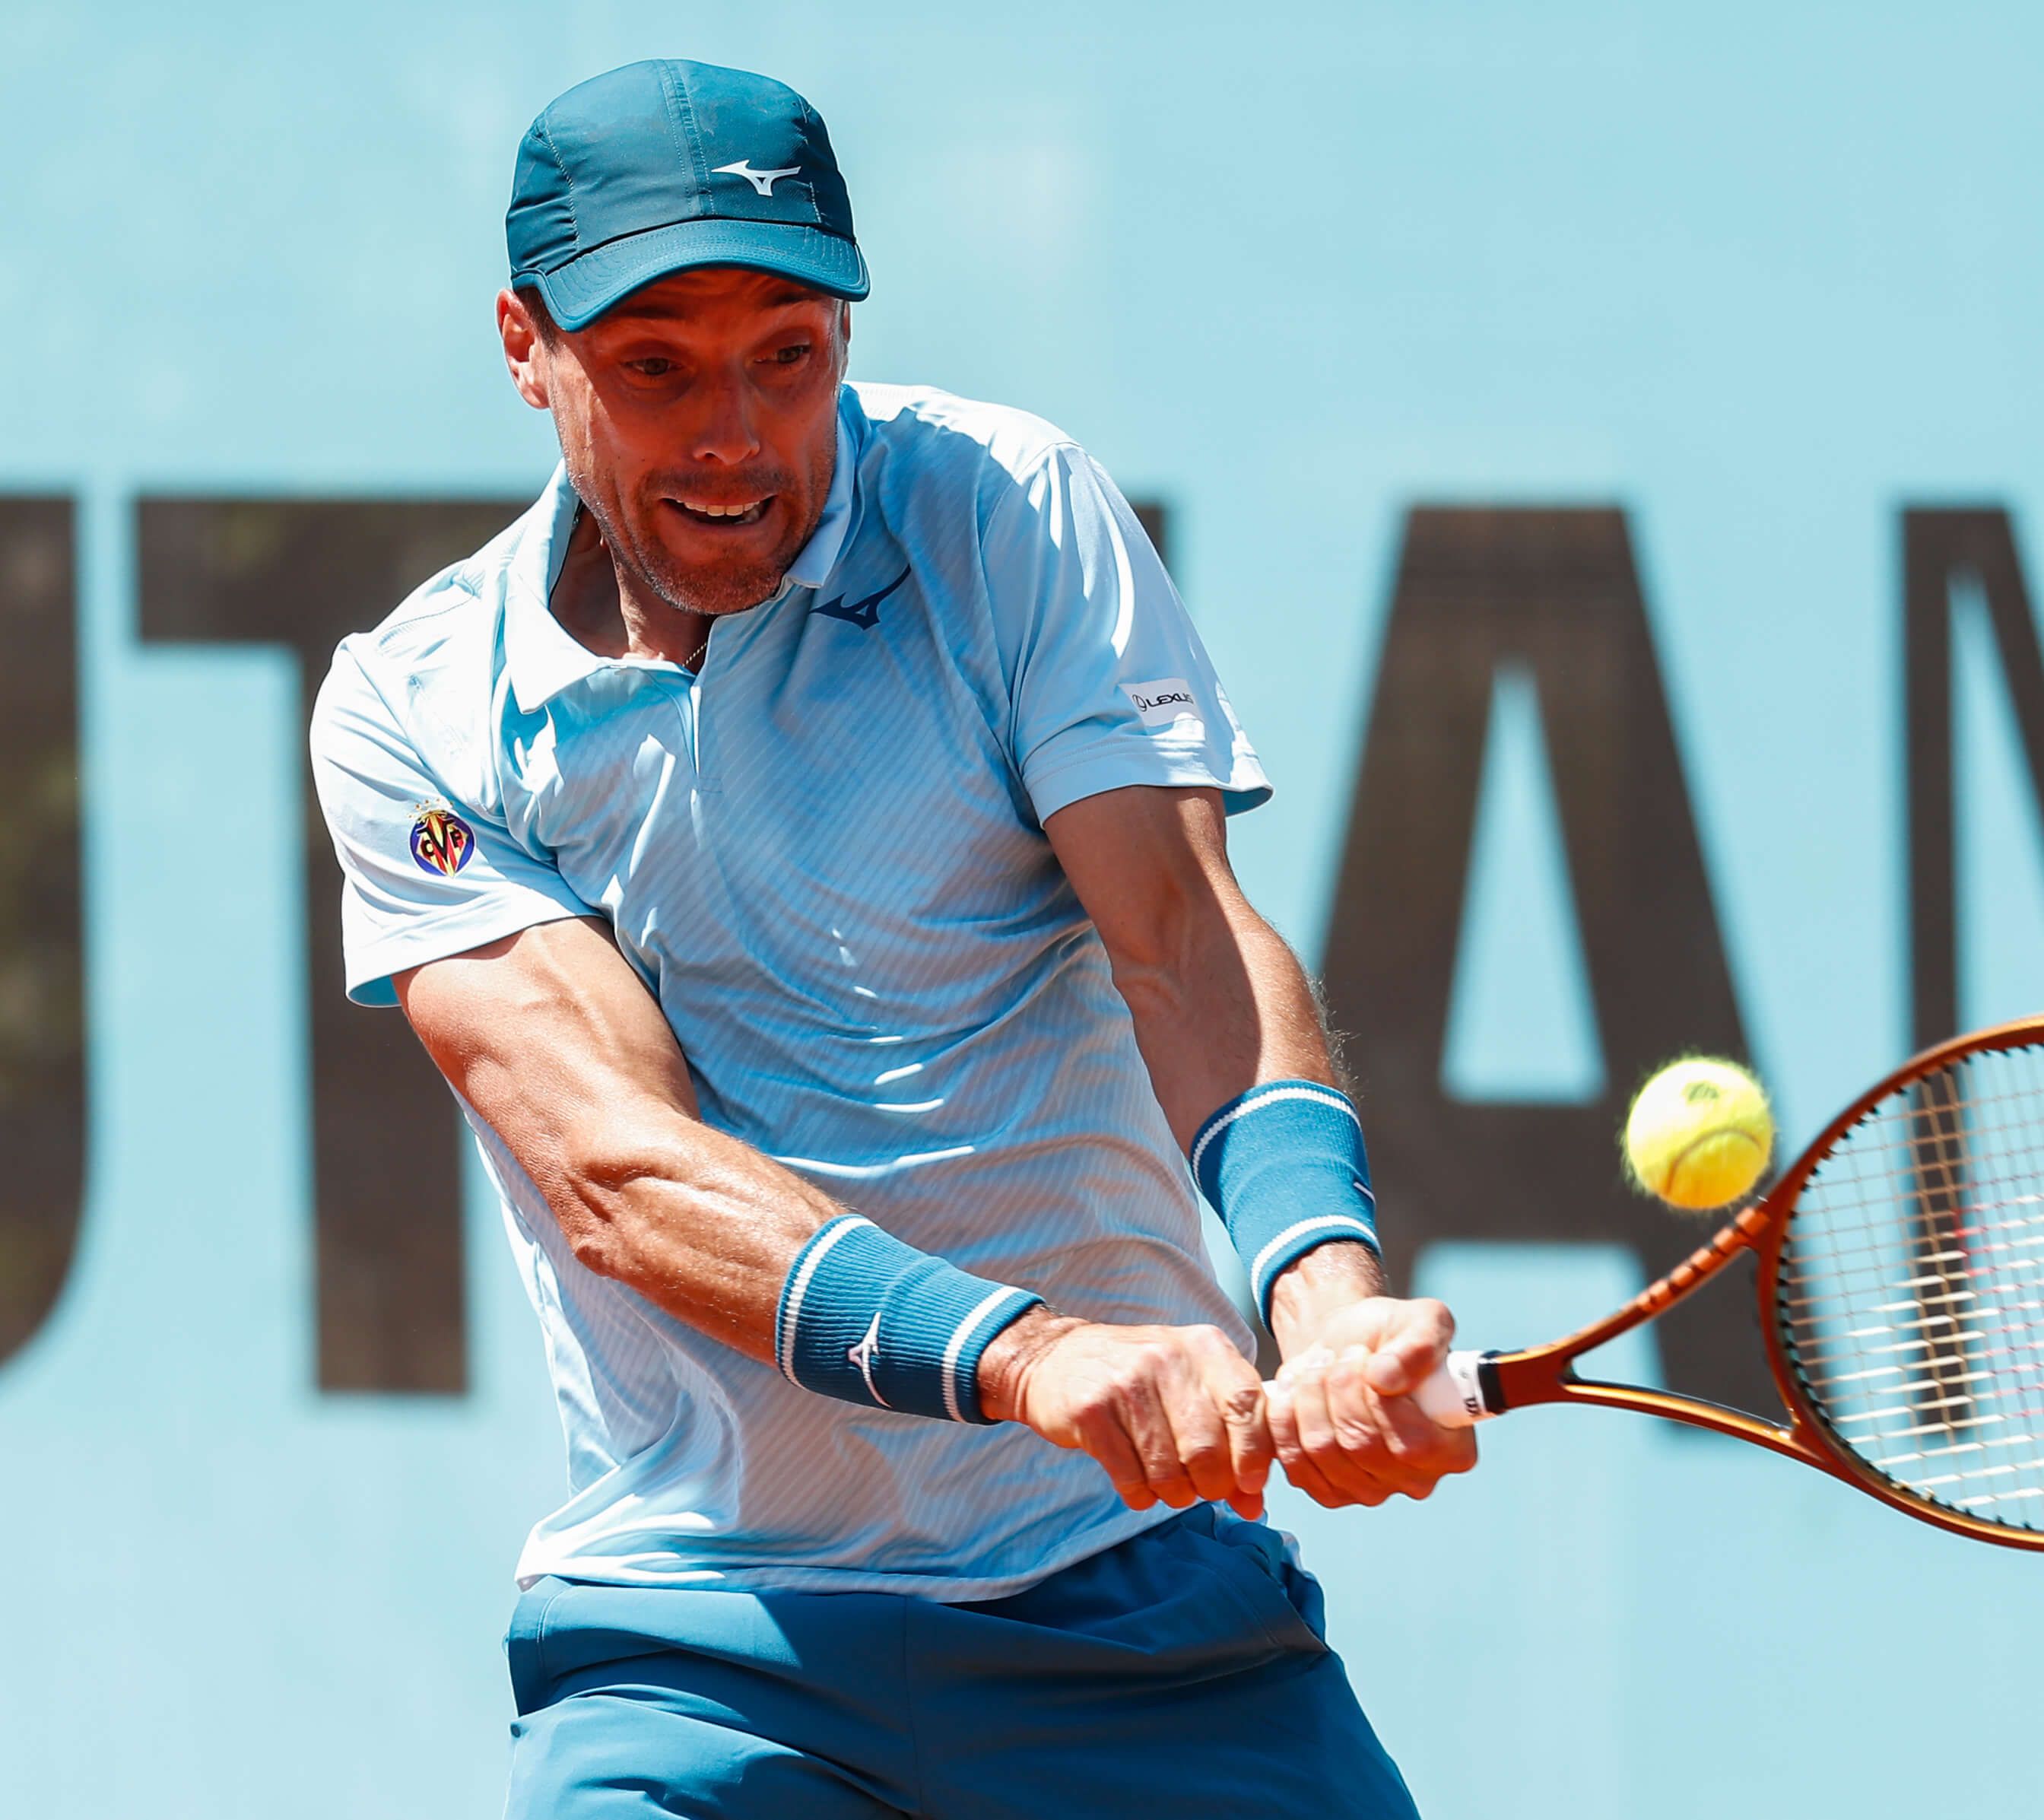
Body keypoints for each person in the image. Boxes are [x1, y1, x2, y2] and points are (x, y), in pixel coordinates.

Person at [308, 59, 1470, 1819]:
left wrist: (1323, 1300)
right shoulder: (417, 710)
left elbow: (1182, 944)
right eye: (655, 367)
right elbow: (619, 1175)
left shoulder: (1004, 508)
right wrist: (1033, 1357)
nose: (735, 434)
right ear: (524, 346)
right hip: (708, 1646)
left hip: (1131, 1603)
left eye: (788, 355)